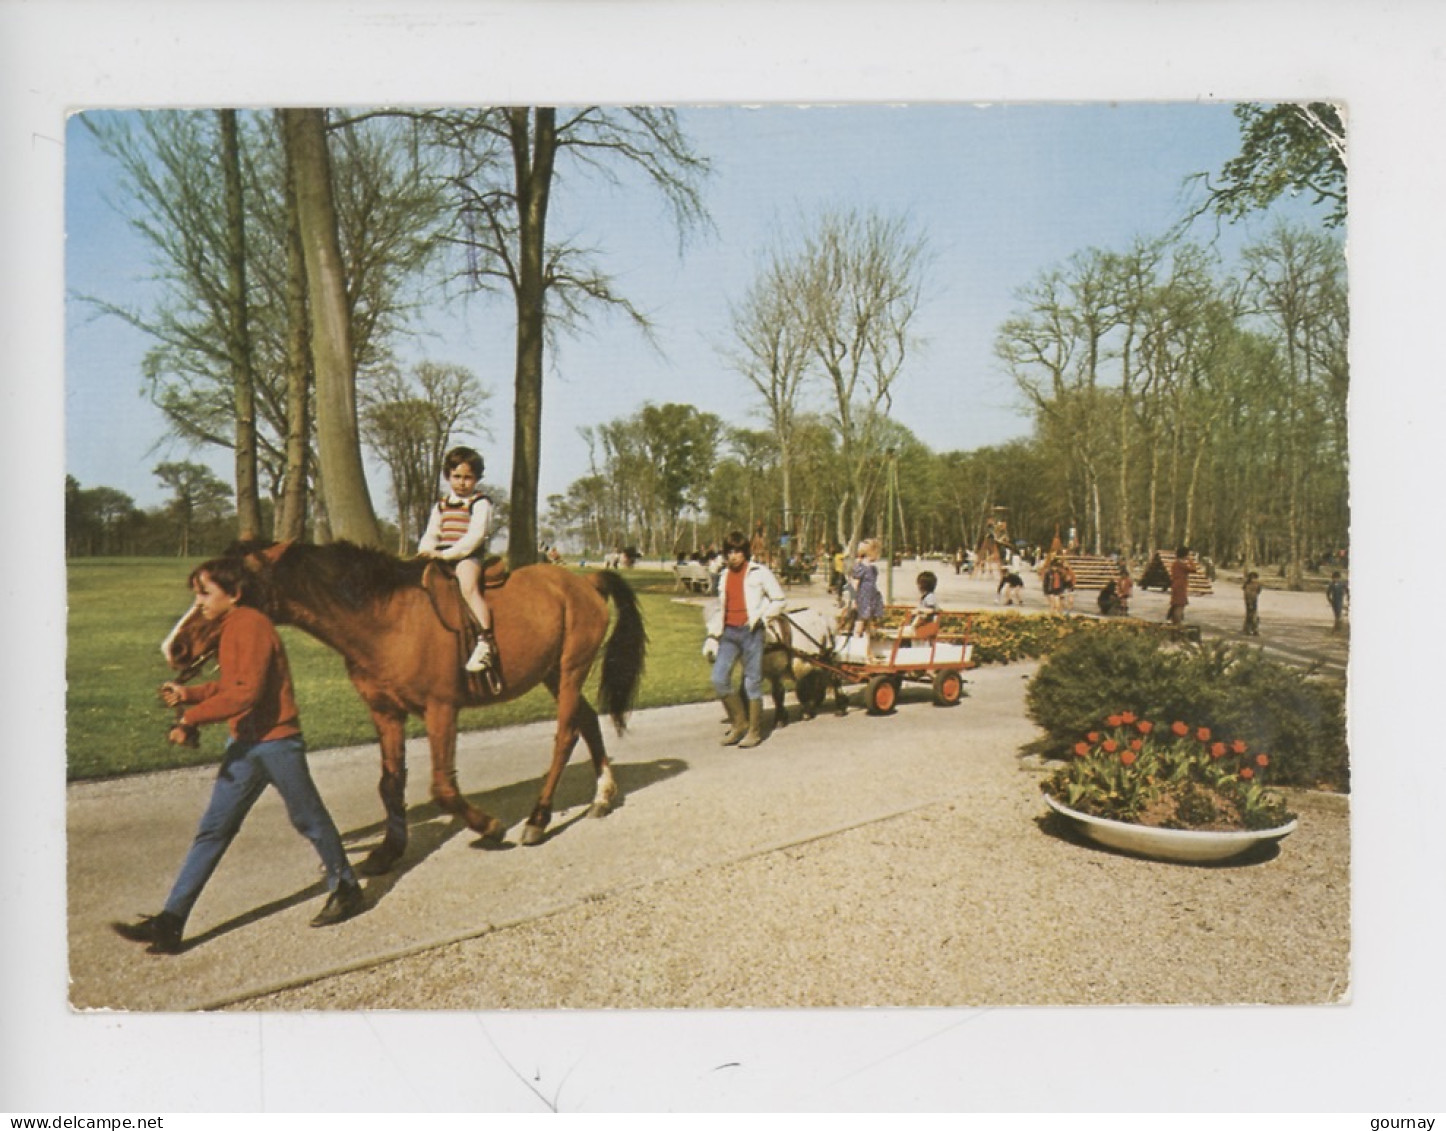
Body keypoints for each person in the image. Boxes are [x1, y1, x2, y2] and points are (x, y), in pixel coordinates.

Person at [114, 558, 363, 955]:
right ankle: (171, 921)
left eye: (205, 593)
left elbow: (246, 692)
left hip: (276, 743)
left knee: (308, 818)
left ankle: (346, 887)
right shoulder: (232, 626)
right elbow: (231, 685)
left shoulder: (252, 625)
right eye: (196, 593)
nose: (199, 602)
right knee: (213, 829)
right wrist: (190, 694)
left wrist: (190, 718)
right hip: (245, 745)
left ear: (235, 593)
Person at [701, 530, 787, 748]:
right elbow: (722, 607)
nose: (733, 556)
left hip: (752, 632)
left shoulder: (759, 572)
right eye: (729, 552)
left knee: (752, 681)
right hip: (729, 633)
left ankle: (754, 731)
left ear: (745, 552)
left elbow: (779, 600)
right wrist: (714, 631)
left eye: (738, 551)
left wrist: (762, 617)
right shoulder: (724, 576)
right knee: (719, 678)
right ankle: (739, 723)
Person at [418, 446, 497, 673]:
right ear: (448, 476)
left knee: (468, 587)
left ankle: (485, 641)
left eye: (468, 478)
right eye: (457, 476)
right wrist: (425, 551)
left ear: (477, 479)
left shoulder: (480, 503)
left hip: (466, 556)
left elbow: (475, 536)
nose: (462, 483)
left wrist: (445, 554)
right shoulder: (441, 505)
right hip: (440, 555)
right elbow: (432, 533)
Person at [851, 538, 885, 640]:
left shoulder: (872, 568)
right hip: (863, 597)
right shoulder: (861, 567)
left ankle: (867, 645)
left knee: (869, 622)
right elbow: (855, 583)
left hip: (871, 597)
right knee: (861, 620)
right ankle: (856, 639)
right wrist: (853, 599)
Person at [904, 570, 940, 639]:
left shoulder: (930, 596)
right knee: (904, 630)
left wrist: (919, 611)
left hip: (926, 626)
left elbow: (932, 609)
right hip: (922, 625)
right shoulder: (925, 597)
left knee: (903, 632)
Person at [1167, 546, 1196, 625]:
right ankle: (1177, 624)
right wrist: (1190, 561)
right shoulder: (1180, 564)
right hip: (1180, 586)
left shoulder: (1176, 564)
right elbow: (1194, 569)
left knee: (1176, 604)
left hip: (1176, 585)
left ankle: (1175, 623)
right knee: (1180, 605)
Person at [1242, 571, 1262, 636]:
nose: (1254, 579)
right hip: (1249, 601)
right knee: (1250, 615)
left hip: (1254, 600)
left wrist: (1255, 595)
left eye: (1255, 578)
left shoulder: (1258, 584)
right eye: (1253, 578)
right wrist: (1249, 602)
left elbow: (1259, 591)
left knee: (1254, 615)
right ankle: (1248, 629)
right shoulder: (1248, 585)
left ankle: (1254, 629)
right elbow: (1246, 593)